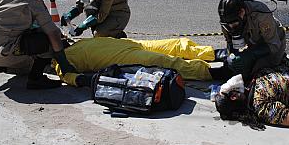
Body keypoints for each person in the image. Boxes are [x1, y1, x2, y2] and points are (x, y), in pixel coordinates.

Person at [53, 37, 228, 87]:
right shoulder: (59, 62)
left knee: (174, 43)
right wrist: (83, 80)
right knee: (163, 61)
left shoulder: (76, 43)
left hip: (132, 44)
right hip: (123, 59)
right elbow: (68, 77)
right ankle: (211, 73)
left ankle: (215, 54)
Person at [216, 0, 289, 81]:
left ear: (242, 12)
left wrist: (250, 55)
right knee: (231, 69)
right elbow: (230, 42)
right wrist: (232, 56)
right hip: (252, 41)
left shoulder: (261, 14)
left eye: (234, 23)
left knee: (254, 75)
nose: (231, 27)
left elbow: (274, 45)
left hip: (272, 43)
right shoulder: (226, 20)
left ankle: (281, 60)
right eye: (228, 25)